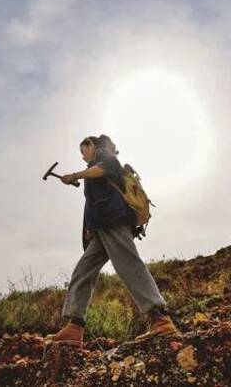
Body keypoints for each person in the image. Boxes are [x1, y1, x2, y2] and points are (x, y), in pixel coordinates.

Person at [44, 134, 181, 349]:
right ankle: (74, 327)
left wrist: (74, 175)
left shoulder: (104, 155)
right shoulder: (93, 170)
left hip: (113, 220)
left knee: (128, 263)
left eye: (83, 150)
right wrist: (88, 231)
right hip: (101, 227)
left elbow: (104, 170)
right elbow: (93, 203)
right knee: (83, 271)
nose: (83, 156)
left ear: (92, 145)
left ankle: (160, 319)